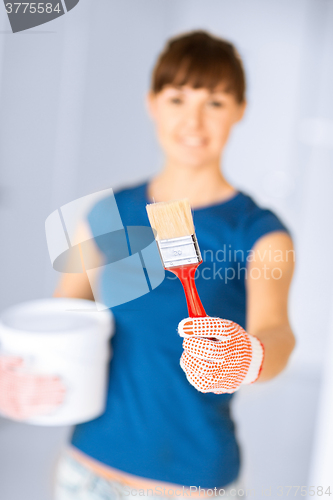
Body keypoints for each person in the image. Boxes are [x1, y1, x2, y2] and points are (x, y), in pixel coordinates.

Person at [0, 31, 296, 499]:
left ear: (240, 109)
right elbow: (62, 322)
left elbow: (278, 334)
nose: (193, 121)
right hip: (86, 468)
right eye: (177, 98)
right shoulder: (105, 213)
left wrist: (249, 356)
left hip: (193, 481)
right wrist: (14, 368)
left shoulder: (260, 232)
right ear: (152, 103)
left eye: (215, 102)